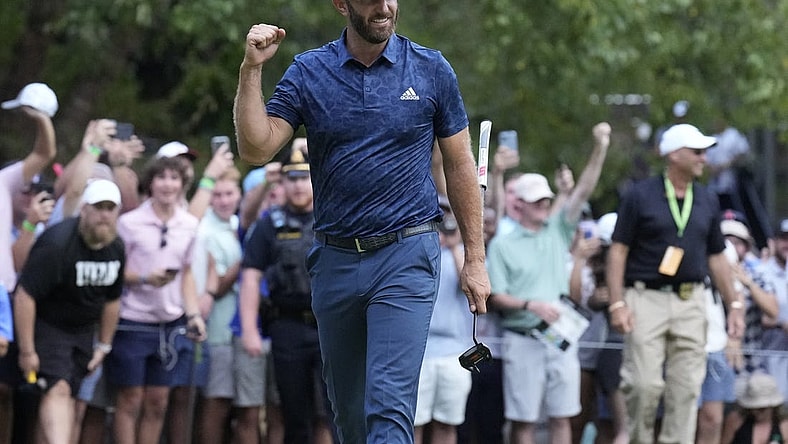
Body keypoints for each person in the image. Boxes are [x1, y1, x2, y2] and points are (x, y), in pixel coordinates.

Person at [233, 2, 490, 442]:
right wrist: (251, 69)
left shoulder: (431, 68)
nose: (384, 6)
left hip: (407, 253)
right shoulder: (309, 70)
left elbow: (460, 164)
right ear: (341, 4)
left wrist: (475, 257)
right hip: (334, 259)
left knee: (388, 409)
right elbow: (257, 149)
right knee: (350, 416)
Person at [606, 123, 746, 444]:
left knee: (686, 390)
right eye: (697, 152)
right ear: (674, 154)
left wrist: (734, 304)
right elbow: (618, 251)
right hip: (645, 299)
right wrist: (617, 303)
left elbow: (717, 257)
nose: (704, 158)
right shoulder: (639, 195)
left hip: (692, 301)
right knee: (643, 386)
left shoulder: (708, 199)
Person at [486, 122, 610, 444]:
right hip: (522, 335)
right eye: (536, 200)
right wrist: (530, 305)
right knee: (523, 420)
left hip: (560, 336)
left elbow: (583, 189)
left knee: (562, 417)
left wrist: (600, 148)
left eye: (546, 199)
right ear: (521, 204)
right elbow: (495, 296)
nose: (543, 204)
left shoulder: (557, 231)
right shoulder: (503, 243)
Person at [13, 179, 125, 444]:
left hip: (84, 332)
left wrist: (105, 345)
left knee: (67, 401)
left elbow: (112, 299)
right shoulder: (57, 244)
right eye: (99, 207)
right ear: (84, 209)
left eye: (111, 208)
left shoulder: (116, 248)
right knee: (59, 390)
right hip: (49, 326)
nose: (104, 215)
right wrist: (28, 351)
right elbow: (25, 296)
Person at [105, 155, 207, 444]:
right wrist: (144, 277)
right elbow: (114, 271)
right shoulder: (128, 223)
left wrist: (194, 314)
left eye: (174, 178)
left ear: (182, 184)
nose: (167, 184)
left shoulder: (189, 224)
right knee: (130, 399)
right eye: (161, 177)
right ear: (150, 182)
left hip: (170, 324)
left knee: (158, 400)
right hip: (132, 322)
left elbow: (186, 274)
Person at [240, 149, 333, 444]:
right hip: (287, 327)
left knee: (334, 412)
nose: (298, 185)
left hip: (330, 328)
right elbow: (251, 276)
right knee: (294, 415)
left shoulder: (332, 218)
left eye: (304, 177)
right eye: (291, 178)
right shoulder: (270, 223)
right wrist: (250, 331)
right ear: (282, 183)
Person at [0, 81, 58, 444]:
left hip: (2, 295)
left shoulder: (4, 182)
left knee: (5, 391)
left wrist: (38, 118)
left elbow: (45, 151)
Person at [414, 197, 473, 444]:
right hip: (419, 353)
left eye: (448, 217)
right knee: (413, 425)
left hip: (455, 354)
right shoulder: (417, 251)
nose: (443, 222)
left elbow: (468, 284)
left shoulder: (466, 256)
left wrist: (455, 244)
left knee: (447, 425)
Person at [760, 218, 788, 406]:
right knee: (776, 407)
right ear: (774, 241)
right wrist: (781, 323)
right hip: (770, 355)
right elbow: (760, 317)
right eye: (784, 238)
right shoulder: (762, 272)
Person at [721, 372, 787, 444]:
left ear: (773, 407)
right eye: (752, 408)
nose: (755, 412)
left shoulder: (784, 426)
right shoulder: (735, 420)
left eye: (761, 409)